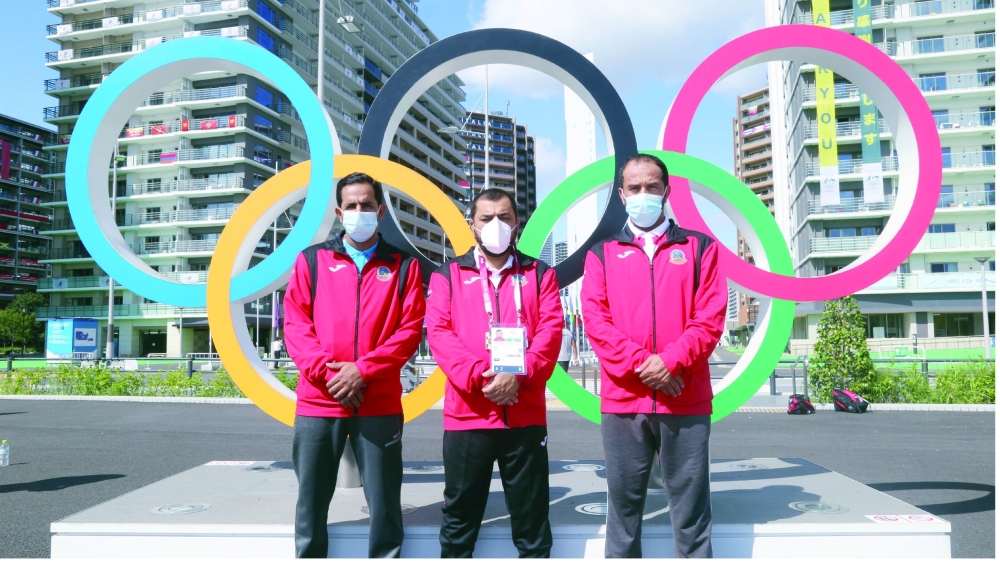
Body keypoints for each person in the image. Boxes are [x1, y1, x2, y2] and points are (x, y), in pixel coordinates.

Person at [581, 154, 728, 558]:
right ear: (621, 193)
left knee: (691, 512)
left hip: (686, 397)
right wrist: (648, 367)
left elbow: (710, 319)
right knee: (624, 511)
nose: (643, 195)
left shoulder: (701, 248)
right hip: (623, 403)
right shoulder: (601, 254)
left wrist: (671, 362)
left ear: (667, 190)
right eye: (634, 188)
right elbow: (597, 323)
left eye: (652, 186)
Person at [283, 172, 426, 558]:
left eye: (366, 205)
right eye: (351, 206)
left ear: (380, 211)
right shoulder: (312, 261)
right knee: (311, 501)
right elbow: (295, 325)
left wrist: (363, 370)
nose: (359, 211)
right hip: (320, 400)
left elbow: (409, 331)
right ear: (338, 211)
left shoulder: (404, 265)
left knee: (384, 503)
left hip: (378, 401)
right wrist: (330, 374)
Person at [426, 188, 563, 558]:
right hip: (469, 416)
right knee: (459, 520)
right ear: (472, 225)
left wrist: (517, 375)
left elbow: (550, 333)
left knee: (532, 523)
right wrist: (481, 377)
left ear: (517, 223)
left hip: (525, 415)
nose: (496, 225)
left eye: (504, 217)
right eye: (486, 218)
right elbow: (439, 334)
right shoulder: (449, 274)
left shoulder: (539, 273)